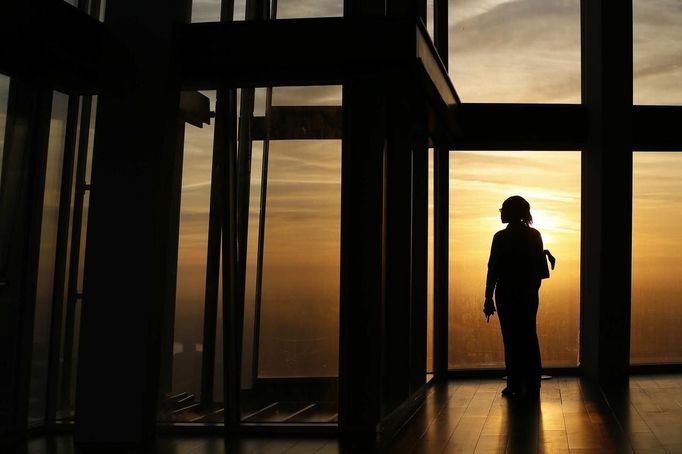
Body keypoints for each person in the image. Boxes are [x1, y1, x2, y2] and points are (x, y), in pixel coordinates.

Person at [483, 196, 550, 398]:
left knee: (510, 339)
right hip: (528, 294)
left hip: (505, 294)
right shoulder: (534, 235)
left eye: (503, 209)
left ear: (510, 212)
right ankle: (532, 383)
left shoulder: (500, 238)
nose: (501, 212)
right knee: (529, 336)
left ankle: (514, 382)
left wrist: (488, 297)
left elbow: (492, 269)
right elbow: (539, 272)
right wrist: (530, 290)